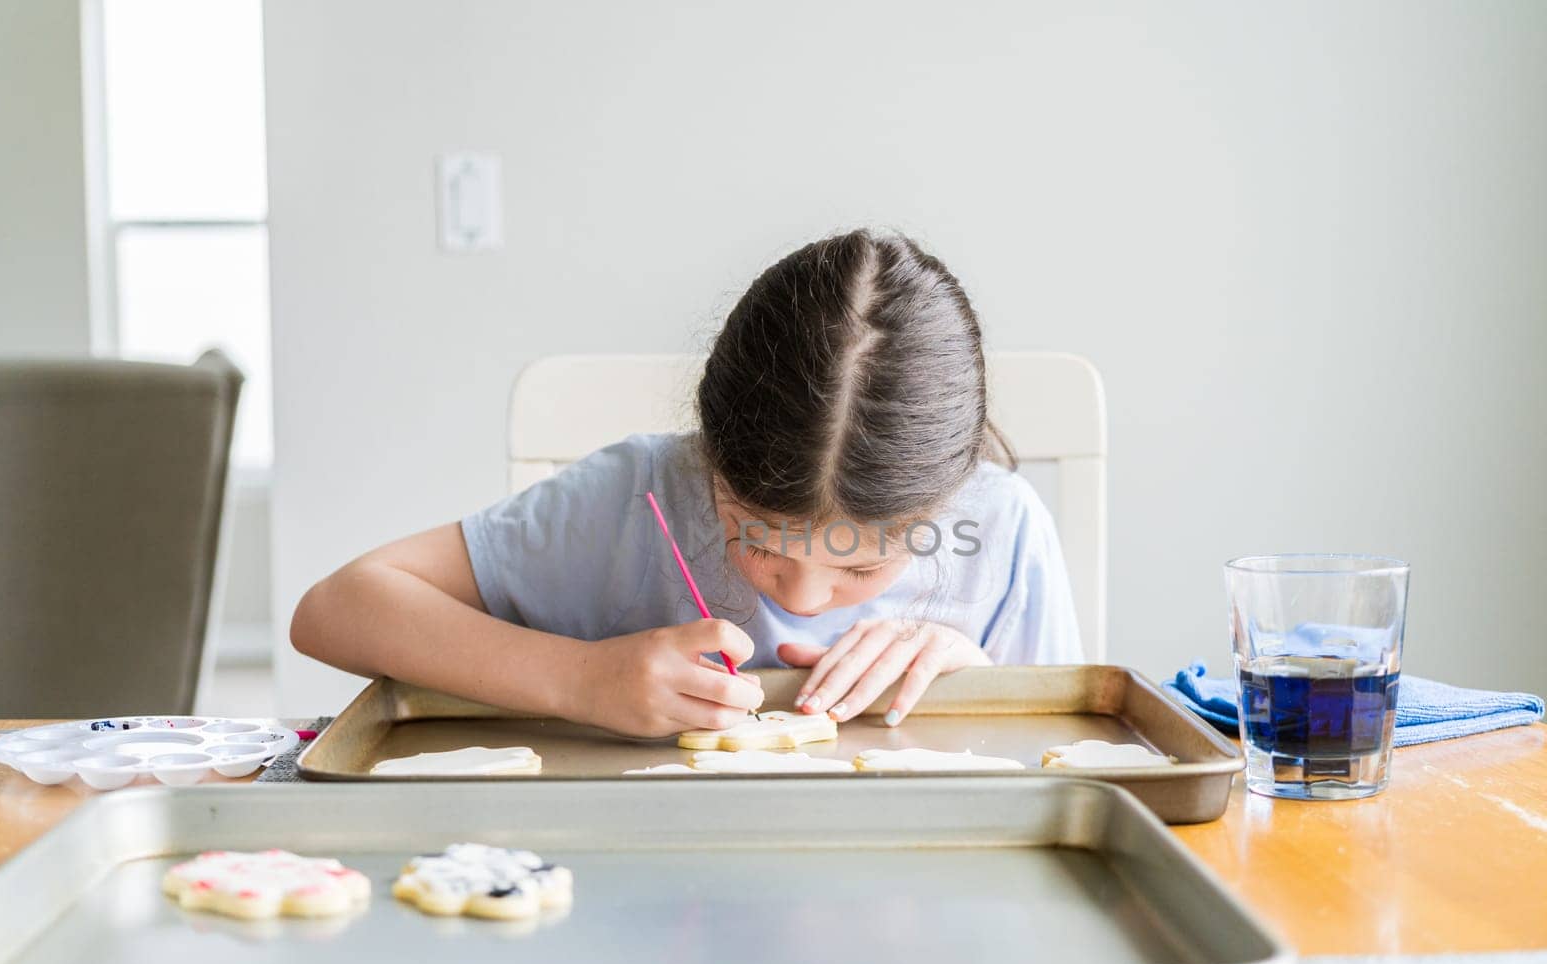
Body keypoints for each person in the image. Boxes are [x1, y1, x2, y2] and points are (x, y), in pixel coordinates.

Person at [291, 230, 1082, 738]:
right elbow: (336, 609)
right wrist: (578, 679)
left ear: (944, 505)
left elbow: (1063, 756)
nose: (801, 598)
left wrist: (977, 686)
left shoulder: (1002, 533)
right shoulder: (635, 498)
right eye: (759, 541)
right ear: (712, 457)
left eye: (861, 566)